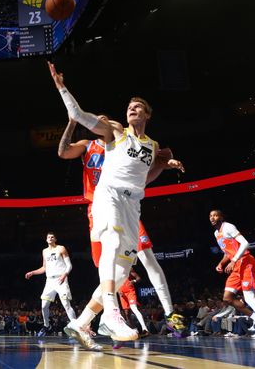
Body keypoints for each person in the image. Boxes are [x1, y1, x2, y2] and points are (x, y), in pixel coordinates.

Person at [48, 62, 184, 347]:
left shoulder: (152, 146)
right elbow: (78, 115)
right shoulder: (115, 131)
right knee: (110, 244)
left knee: (123, 271)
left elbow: (144, 178)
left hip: (133, 204)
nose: (132, 109)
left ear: (147, 114)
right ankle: (111, 314)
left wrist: (165, 166)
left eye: (138, 107)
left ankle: (81, 322)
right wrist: (62, 87)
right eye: (129, 106)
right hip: (107, 195)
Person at [209, 210, 255, 343]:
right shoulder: (216, 233)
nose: (212, 217)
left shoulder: (228, 227)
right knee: (227, 298)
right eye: (210, 216)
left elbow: (245, 243)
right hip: (236, 266)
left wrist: (234, 260)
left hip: (246, 262)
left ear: (221, 217)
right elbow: (227, 253)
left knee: (249, 298)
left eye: (215, 215)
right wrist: (221, 263)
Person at [24, 232, 78, 337]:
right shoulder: (44, 251)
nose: (50, 238)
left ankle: (76, 327)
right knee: (44, 306)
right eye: (48, 237)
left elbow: (69, 265)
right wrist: (32, 272)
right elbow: (44, 268)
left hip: (61, 279)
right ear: (46, 239)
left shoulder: (61, 248)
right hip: (49, 281)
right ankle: (46, 325)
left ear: (55, 239)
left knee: (66, 304)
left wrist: (64, 275)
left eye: (52, 237)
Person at [118, 269, 149, 336]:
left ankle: (145, 329)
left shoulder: (128, 267)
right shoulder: (114, 270)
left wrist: (134, 281)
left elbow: (138, 278)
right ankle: (136, 331)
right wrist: (118, 291)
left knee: (134, 308)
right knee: (127, 314)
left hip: (130, 291)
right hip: (122, 293)